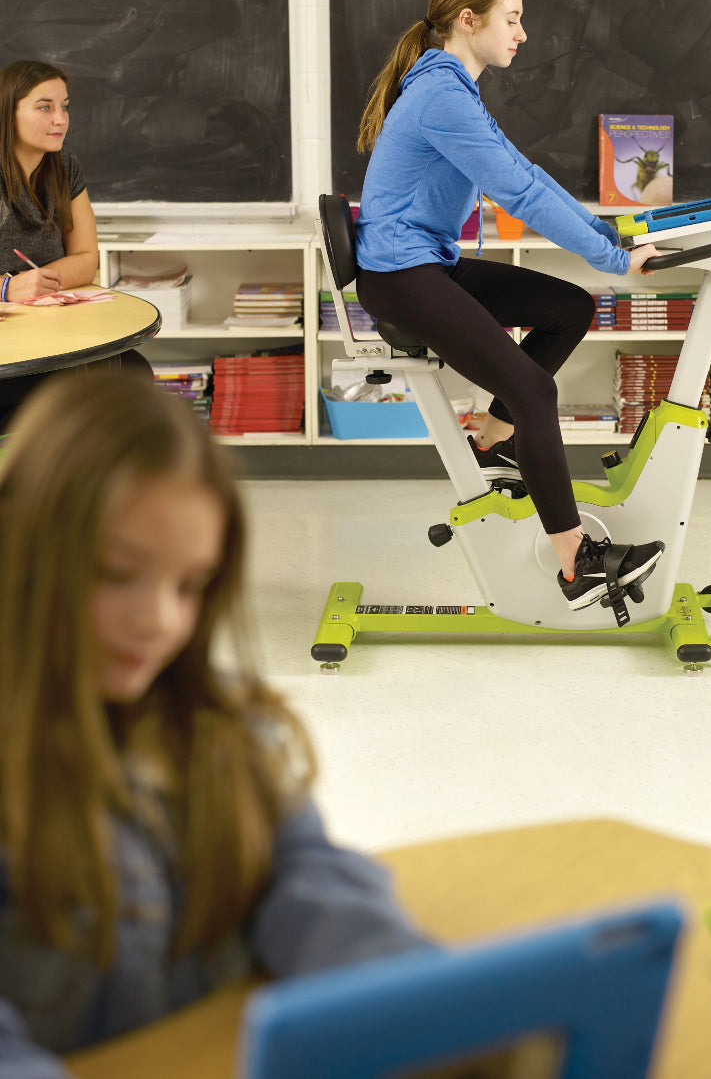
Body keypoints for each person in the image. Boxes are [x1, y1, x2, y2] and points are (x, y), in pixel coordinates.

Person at [0, 375, 431, 1076]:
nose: (161, 620)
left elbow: (304, 871)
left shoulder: (224, 727)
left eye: (189, 585)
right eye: (116, 572)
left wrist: (416, 999)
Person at [354, 0, 665, 608]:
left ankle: (493, 436)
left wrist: (614, 242)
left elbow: (526, 175)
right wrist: (613, 256)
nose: (522, 34)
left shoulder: (454, 89)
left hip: (424, 264)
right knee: (532, 387)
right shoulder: (442, 95)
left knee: (569, 307)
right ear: (469, 21)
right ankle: (575, 562)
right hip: (398, 274)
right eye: (512, 19)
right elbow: (518, 191)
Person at [0, 59, 150, 430]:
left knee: (134, 374)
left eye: (64, 106)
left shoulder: (64, 166)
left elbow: (86, 259)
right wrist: (7, 287)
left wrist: (37, 283)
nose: (60, 119)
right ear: (7, 113)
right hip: (10, 348)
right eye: (44, 107)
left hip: (48, 329)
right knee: (60, 395)